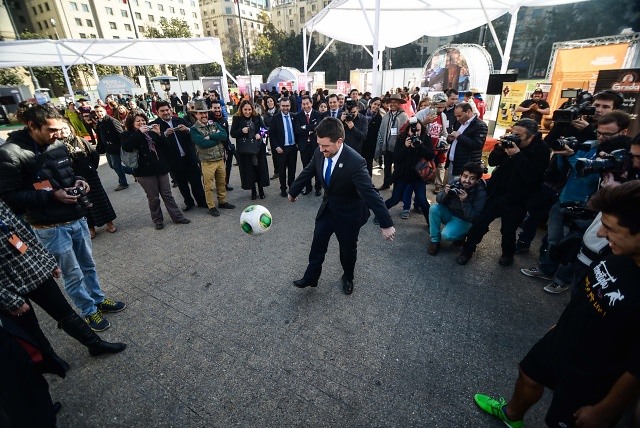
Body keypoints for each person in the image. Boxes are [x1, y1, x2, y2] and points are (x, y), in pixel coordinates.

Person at [474, 181, 640, 428]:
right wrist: (561, 325)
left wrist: (604, 411)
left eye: (610, 228)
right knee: (528, 374)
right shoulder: (619, 251)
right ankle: (511, 416)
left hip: (591, 375)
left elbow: (636, 369)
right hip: (562, 340)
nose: (601, 234)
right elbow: (590, 289)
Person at [0, 105, 126, 332]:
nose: (58, 134)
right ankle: (89, 312)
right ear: (32, 126)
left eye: (59, 129)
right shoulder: (10, 153)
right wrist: (50, 195)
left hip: (76, 217)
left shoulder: (57, 144)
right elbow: (9, 198)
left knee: (88, 265)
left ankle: (98, 299)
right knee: (72, 273)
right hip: (50, 226)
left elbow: (67, 173)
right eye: (51, 130)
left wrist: (79, 180)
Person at [0, 198, 126, 360]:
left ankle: (95, 344)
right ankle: (49, 362)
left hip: (31, 271)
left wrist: (45, 261)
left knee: (64, 312)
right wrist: (9, 299)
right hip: (7, 286)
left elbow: (20, 235)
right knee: (29, 328)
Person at [520, 111, 632, 292]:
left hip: (586, 209)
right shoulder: (590, 145)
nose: (602, 138)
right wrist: (563, 154)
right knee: (553, 240)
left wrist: (572, 156)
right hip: (563, 199)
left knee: (573, 246)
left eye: (607, 134)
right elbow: (569, 168)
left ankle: (562, 280)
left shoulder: (621, 158)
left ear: (623, 132)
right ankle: (546, 269)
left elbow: (586, 174)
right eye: (599, 133)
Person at [288, 117, 396, 295]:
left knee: (347, 251)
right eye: (319, 145)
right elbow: (308, 170)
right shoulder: (319, 151)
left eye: (325, 146)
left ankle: (348, 277)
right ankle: (311, 277)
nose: (321, 149)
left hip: (349, 214)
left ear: (339, 141)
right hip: (328, 209)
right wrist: (293, 191)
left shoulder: (355, 162)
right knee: (317, 244)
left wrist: (386, 224)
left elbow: (370, 193)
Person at [457, 119, 550, 266]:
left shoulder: (541, 150)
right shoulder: (510, 143)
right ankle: (467, 251)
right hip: (497, 193)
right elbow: (492, 162)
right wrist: (499, 149)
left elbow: (531, 177)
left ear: (531, 137)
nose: (514, 137)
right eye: (513, 132)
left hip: (518, 199)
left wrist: (517, 154)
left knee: (508, 230)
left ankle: (508, 254)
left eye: (518, 135)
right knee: (480, 223)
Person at [121, 111, 191, 230]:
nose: (141, 123)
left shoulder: (151, 131)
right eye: (138, 121)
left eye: (143, 120)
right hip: (144, 172)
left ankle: (177, 217)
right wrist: (139, 133)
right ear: (132, 123)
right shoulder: (127, 134)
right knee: (153, 198)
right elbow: (127, 147)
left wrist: (159, 134)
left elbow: (165, 146)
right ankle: (158, 220)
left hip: (160, 168)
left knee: (167, 194)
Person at [60, 120, 117, 239]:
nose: (63, 131)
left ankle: (109, 223)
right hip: (72, 180)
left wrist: (91, 167)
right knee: (83, 204)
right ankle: (91, 228)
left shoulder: (80, 141)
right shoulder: (57, 146)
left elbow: (94, 154)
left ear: (70, 128)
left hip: (91, 177)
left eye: (65, 128)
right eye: (61, 129)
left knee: (100, 200)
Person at [151, 101, 207, 212]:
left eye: (167, 110)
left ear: (170, 109)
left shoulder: (180, 120)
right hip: (173, 161)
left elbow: (194, 134)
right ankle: (189, 202)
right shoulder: (155, 125)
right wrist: (164, 135)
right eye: (162, 111)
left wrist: (188, 130)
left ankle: (201, 201)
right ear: (157, 112)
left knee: (196, 181)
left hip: (189, 157)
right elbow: (155, 143)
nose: (166, 112)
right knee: (182, 184)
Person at [380, 118, 433, 224]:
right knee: (395, 199)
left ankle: (431, 225)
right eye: (413, 131)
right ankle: (380, 215)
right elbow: (397, 158)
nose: (415, 133)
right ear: (408, 130)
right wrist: (405, 146)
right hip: (403, 175)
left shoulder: (425, 138)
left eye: (418, 130)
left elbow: (431, 155)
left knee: (423, 202)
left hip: (418, 176)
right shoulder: (401, 139)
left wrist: (420, 145)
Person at [428, 162, 487, 255]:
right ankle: (435, 241)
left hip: (464, 220)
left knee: (446, 235)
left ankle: (462, 236)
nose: (467, 180)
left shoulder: (481, 193)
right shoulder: (455, 181)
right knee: (434, 208)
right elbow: (439, 201)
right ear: (461, 175)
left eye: (472, 178)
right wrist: (445, 192)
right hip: (450, 213)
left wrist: (465, 201)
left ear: (478, 180)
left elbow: (473, 217)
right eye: (465, 176)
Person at [190, 99, 235, 217]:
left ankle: (222, 201)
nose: (204, 115)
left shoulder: (213, 124)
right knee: (208, 186)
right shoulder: (194, 129)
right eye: (201, 113)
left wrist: (209, 136)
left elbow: (224, 135)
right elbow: (202, 144)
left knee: (221, 182)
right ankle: (211, 206)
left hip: (219, 159)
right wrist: (216, 138)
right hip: (207, 162)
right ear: (196, 115)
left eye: (205, 113)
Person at [230, 99, 270, 200]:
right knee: (249, 170)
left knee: (259, 169)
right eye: (245, 109)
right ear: (241, 109)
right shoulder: (237, 118)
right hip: (245, 149)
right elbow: (232, 133)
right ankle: (253, 191)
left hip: (257, 149)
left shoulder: (257, 117)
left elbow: (265, 129)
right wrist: (241, 131)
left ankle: (261, 190)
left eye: (249, 109)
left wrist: (259, 134)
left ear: (252, 109)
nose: (247, 112)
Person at [376, 93, 409, 190]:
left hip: (398, 147)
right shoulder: (386, 116)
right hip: (387, 146)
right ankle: (386, 183)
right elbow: (382, 130)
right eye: (391, 102)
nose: (393, 104)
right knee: (387, 166)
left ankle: (397, 186)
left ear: (399, 104)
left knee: (398, 168)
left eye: (395, 102)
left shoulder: (404, 116)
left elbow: (405, 132)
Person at [445, 102, 487, 179]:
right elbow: (456, 140)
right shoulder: (458, 123)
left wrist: (459, 136)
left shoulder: (479, 125)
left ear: (468, 112)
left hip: (466, 166)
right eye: (456, 116)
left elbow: (477, 145)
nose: (457, 118)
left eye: (459, 116)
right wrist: (450, 139)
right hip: (453, 163)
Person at [94, 104, 129, 191]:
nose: (99, 113)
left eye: (101, 111)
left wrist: (122, 146)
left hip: (115, 147)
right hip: (107, 148)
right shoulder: (99, 122)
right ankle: (133, 172)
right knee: (112, 165)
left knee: (116, 165)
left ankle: (123, 183)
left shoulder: (112, 121)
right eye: (97, 112)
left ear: (105, 111)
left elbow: (121, 134)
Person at [269, 97, 298, 198]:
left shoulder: (294, 116)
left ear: (290, 106)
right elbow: (271, 135)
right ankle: (283, 189)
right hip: (281, 149)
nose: (285, 108)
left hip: (293, 148)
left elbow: (297, 131)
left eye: (287, 106)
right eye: (283, 106)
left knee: (292, 169)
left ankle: (291, 187)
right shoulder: (275, 118)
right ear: (280, 106)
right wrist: (276, 147)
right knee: (282, 170)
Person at [295, 95, 323, 196]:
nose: (306, 106)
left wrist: (305, 127)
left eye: (307, 103)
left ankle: (318, 187)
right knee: (306, 168)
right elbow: (297, 130)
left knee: (317, 167)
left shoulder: (317, 114)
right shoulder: (298, 115)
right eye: (303, 104)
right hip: (303, 146)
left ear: (311, 103)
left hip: (315, 145)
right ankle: (308, 187)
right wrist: (310, 129)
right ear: (301, 105)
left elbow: (317, 127)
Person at [362, 97, 383, 176]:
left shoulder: (379, 118)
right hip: (360, 143)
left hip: (370, 145)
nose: (376, 106)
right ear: (371, 104)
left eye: (378, 105)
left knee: (368, 165)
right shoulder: (362, 113)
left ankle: (368, 184)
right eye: (375, 104)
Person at [262, 95, 280, 181]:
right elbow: (264, 126)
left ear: (274, 102)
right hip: (272, 137)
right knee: (275, 155)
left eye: (271, 101)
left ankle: (283, 170)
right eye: (268, 102)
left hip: (281, 136)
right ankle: (277, 172)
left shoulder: (279, 111)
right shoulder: (266, 114)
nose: (269, 103)